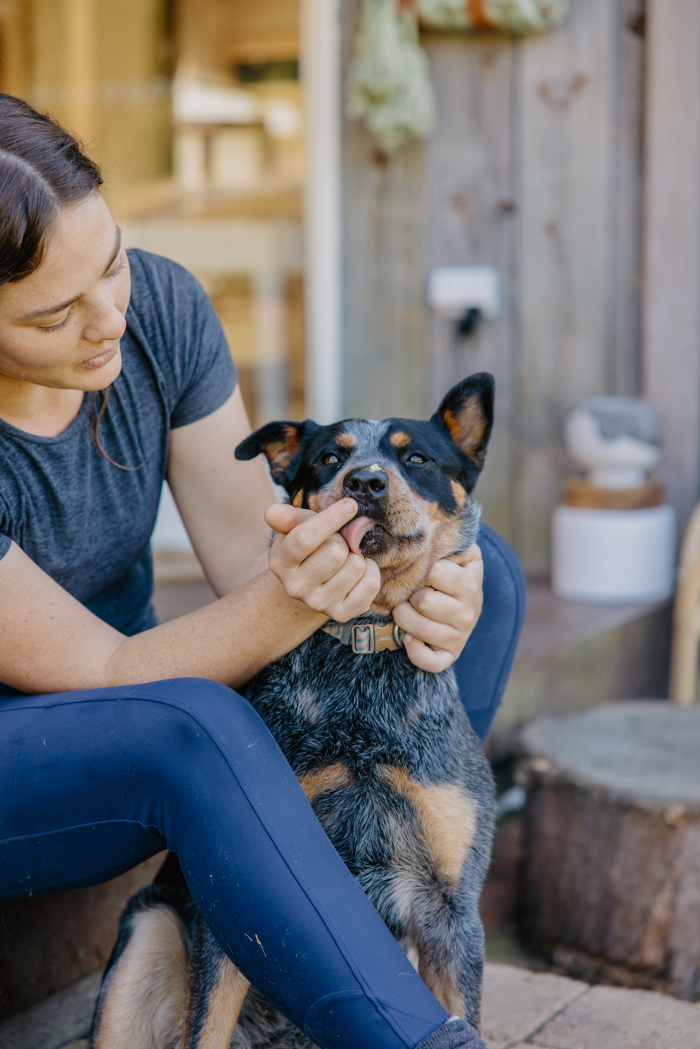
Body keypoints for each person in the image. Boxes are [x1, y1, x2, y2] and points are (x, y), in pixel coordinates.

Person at [0, 95, 525, 1049]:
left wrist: (434, 590)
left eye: (112, 261)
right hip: (42, 756)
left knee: (488, 567)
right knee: (187, 722)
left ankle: (381, 887)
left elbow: (259, 561)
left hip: (143, 701)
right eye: (56, 311)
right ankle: (419, 1036)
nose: (111, 316)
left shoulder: (156, 307)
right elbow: (116, 677)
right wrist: (303, 590)